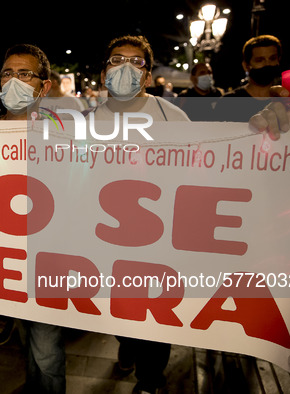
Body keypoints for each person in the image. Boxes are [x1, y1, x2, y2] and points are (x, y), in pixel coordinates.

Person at [88, 34, 190, 394]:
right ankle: (126, 343)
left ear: (147, 77)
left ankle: (150, 379)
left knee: (153, 315)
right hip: (105, 242)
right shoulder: (85, 121)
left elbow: (197, 173)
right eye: (117, 61)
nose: (125, 69)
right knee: (118, 308)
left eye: (136, 62)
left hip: (156, 242)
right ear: (104, 73)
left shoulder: (172, 116)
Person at [0, 43, 65, 394]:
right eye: (8, 73)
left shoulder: (64, 132)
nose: (14, 81)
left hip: (46, 259)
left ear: (44, 86)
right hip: (2, 259)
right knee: (28, 335)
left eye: (25, 74)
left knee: (46, 345)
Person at [214, 35, 283, 121]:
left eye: (272, 59)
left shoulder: (288, 100)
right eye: (260, 60)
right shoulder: (228, 103)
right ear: (246, 66)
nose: (267, 64)